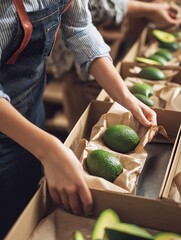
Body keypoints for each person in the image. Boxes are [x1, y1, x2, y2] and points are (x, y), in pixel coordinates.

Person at [0, 0, 158, 238]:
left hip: (31, 108)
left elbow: (80, 29)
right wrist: (50, 149)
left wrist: (125, 96)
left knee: (27, 193)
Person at [46, 0, 181, 130]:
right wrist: (148, 9)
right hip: (80, 66)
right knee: (87, 123)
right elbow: (88, 11)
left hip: (105, 49)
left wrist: (125, 97)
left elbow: (80, 29)